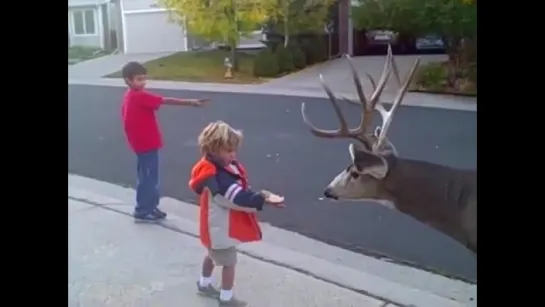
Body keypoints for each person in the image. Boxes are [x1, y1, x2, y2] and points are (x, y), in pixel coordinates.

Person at [189, 121, 285, 307]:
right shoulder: (218, 178)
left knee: (211, 254)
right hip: (220, 228)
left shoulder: (210, 169)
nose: (233, 155)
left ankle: (204, 283)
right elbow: (237, 198)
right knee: (229, 263)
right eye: (228, 150)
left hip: (212, 227)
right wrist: (263, 198)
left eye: (234, 150)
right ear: (213, 149)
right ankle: (226, 298)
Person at [121, 61, 207, 223]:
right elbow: (164, 100)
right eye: (139, 79)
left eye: (144, 79)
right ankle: (143, 210)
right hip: (146, 144)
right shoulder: (139, 96)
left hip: (142, 144)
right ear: (128, 80)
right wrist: (190, 102)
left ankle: (149, 206)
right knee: (149, 178)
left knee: (147, 176)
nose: (143, 82)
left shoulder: (129, 95)